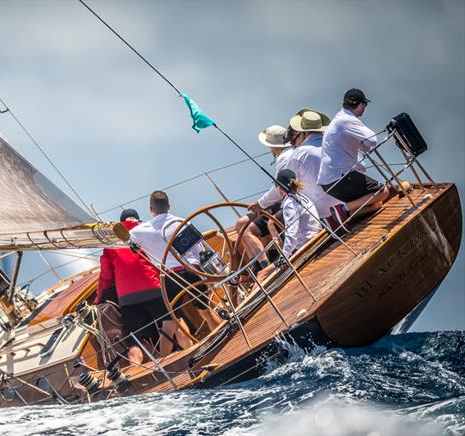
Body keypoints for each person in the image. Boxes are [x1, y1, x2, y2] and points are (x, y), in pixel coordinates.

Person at [95, 209, 184, 365]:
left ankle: (139, 374)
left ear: (120, 223)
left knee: (134, 341)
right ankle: (190, 349)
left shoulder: (110, 243)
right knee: (175, 321)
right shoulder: (144, 232)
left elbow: (106, 276)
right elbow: (160, 258)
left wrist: (98, 299)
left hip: (127, 298)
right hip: (153, 288)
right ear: (138, 219)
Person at [130, 191, 223, 332]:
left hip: (170, 278)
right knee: (207, 312)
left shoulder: (139, 231)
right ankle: (227, 336)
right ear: (169, 206)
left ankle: (168, 354)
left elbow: (125, 238)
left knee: (169, 324)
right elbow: (198, 250)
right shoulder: (183, 222)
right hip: (192, 272)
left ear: (151, 210)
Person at [318, 88, 388, 218]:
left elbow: (364, 147)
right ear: (360, 104)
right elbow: (372, 140)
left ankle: (343, 217)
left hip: (328, 182)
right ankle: (343, 209)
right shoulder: (348, 120)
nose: (364, 108)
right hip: (340, 177)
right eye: (365, 105)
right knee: (383, 192)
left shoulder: (339, 119)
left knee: (375, 204)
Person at [235, 124, 294, 274]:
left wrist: (260, 204)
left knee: (244, 227)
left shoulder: (284, 158)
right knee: (242, 224)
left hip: (286, 202)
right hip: (281, 201)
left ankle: (265, 268)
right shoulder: (288, 154)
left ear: (271, 146)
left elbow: (279, 189)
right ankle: (259, 265)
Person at [283, 109, 347, 231]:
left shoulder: (297, 155)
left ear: (303, 134)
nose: (293, 144)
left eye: (294, 138)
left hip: (322, 215)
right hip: (350, 203)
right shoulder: (335, 144)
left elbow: (286, 188)